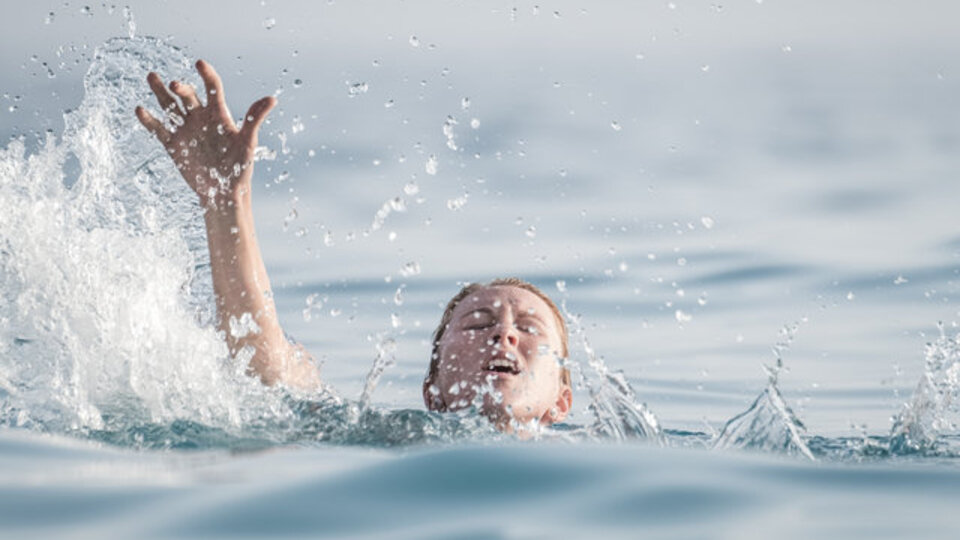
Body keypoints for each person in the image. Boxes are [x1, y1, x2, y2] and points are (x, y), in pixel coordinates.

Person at [136, 60, 572, 432]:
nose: (504, 333)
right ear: (433, 392)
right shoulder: (394, 439)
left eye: (530, 328)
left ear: (561, 402)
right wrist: (226, 202)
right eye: (477, 324)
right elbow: (269, 377)